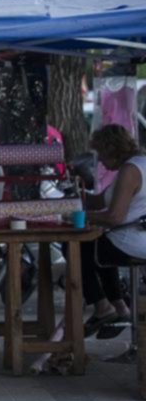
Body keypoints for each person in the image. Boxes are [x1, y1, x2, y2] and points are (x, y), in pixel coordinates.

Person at [81, 124, 146, 335]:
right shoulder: (138, 165)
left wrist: (82, 217)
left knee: (78, 248)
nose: (99, 160)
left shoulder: (130, 171)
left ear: (111, 149)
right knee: (96, 246)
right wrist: (78, 198)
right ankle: (118, 305)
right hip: (135, 239)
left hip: (132, 241)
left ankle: (103, 306)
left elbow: (114, 217)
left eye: (101, 154)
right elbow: (101, 200)